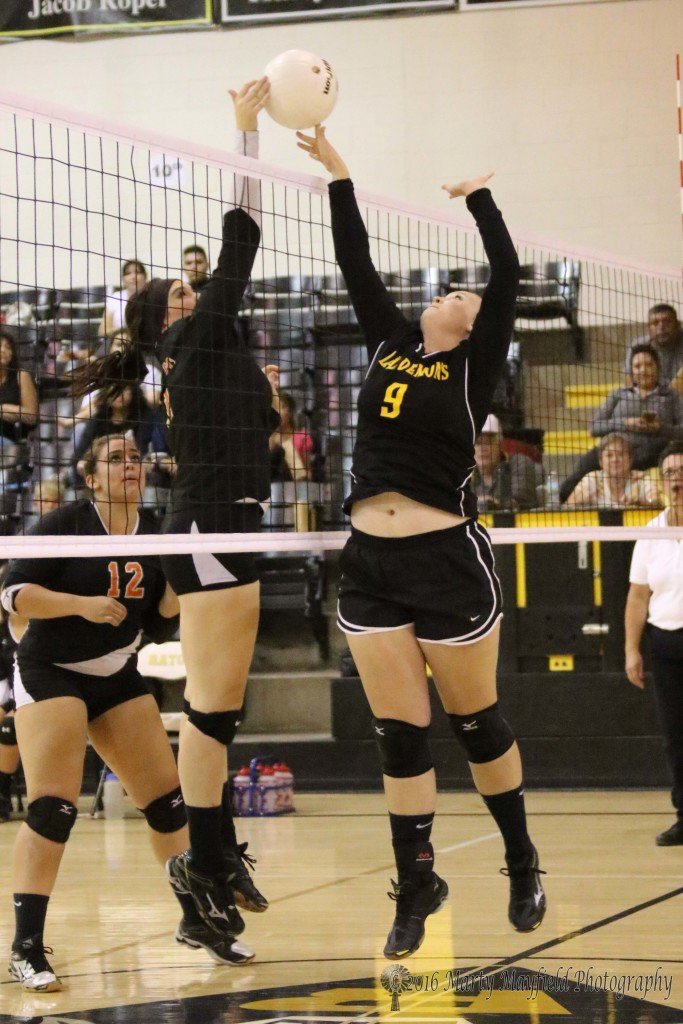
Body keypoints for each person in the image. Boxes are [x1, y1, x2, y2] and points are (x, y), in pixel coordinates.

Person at [297, 125, 545, 959]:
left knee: (474, 724)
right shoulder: (388, 345)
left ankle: (519, 859)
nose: (449, 294)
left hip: (446, 561)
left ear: (476, 326)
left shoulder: (475, 367)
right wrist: (338, 173)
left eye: (461, 297)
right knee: (399, 737)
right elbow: (355, 260)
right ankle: (415, 885)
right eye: (448, 292)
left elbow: (506, 274)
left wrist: (479, 197)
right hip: (369, 560)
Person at [75, 79, 275, 955]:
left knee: (216, 711)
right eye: (180, 294)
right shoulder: (194, 338)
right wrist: (244, 133)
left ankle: (215, 853)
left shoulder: (199, 349)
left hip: (218, 525)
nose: (196, 293)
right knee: (210, 712)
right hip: (213, 529)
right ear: (170, 321)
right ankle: (205, 858)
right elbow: (242, 239)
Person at [1, 433, 255, 993]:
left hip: (115, 673)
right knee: (53, 808)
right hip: (50, 669)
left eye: (136, 458)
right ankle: (25, 948)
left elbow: (161, 613)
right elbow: (13, 594)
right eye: (115, 459)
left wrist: (190, 575)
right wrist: (80, 605)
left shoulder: (159, 532)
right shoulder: (67, 523)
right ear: (91, 477)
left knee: (169, 805)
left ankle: (195, 919)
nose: (130, 466)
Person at [625, 442, 683, 847]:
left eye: (682, 471)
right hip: (665, 645)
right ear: (660, 481)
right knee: (675, 735)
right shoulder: (651, 532)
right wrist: (632, 648)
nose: (676, 478)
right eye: (669, 473)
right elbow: (637, 596)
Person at [560, 344, 683, 503]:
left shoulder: (671, 397)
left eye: (648, 364)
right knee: (577, 475)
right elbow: (594, 427)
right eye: (637, 366)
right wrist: (626, 423)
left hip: (653, 451)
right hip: (615, 448)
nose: (643, 370)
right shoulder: (618, 394)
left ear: (657, 367)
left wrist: (660, 428)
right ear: (631, 371)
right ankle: (564, 501)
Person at [70, 384, 165, 489]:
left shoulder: (148, 417)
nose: (119, 394)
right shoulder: (97, 420)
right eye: (113, 390)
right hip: (105, 478)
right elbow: (79, 457)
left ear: (133, 391)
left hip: (141, 475)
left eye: (124, 389)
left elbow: (149, 453)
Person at [564, 432, 661, 509]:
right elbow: (567, 507)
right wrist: (580, 501)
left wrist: (644, 502)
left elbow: (657, 503)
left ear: (630, 460)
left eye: (620, 455)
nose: (615, 460)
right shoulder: (592, 479)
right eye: (609, 455)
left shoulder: (641, 479)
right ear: (601, 462)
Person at [472, 413, 539, 512]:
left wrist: (489, 503)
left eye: (489, 442)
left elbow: (521, 498)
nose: (483, 448)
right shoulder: (465, 473)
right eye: (478, 442)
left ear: (500, 444)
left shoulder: (520, 463)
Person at [624, 304, 683, 386]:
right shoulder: (638, 346)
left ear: (678, 325)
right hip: (650, 396)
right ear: (648, 328)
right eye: (655, 323)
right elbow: (629, 382)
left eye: (667, 322)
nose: (661, 327)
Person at [0, 327, 38, 453]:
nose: (3, 350)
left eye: (8, 347)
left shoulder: (21, 376)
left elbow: (31, 416)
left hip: (9, 440)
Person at [269, 392, 312, 482]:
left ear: (290, 412)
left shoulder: (302, 438)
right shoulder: (265, 439)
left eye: (282, 407)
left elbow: (308, 472)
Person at [98, 260, 148, 336]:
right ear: (123, 279)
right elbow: (103, 332)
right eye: (128, 273)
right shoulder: (115, 298)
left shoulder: (154, 296)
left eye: (138, 272)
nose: (133, 277)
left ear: (145, 276)